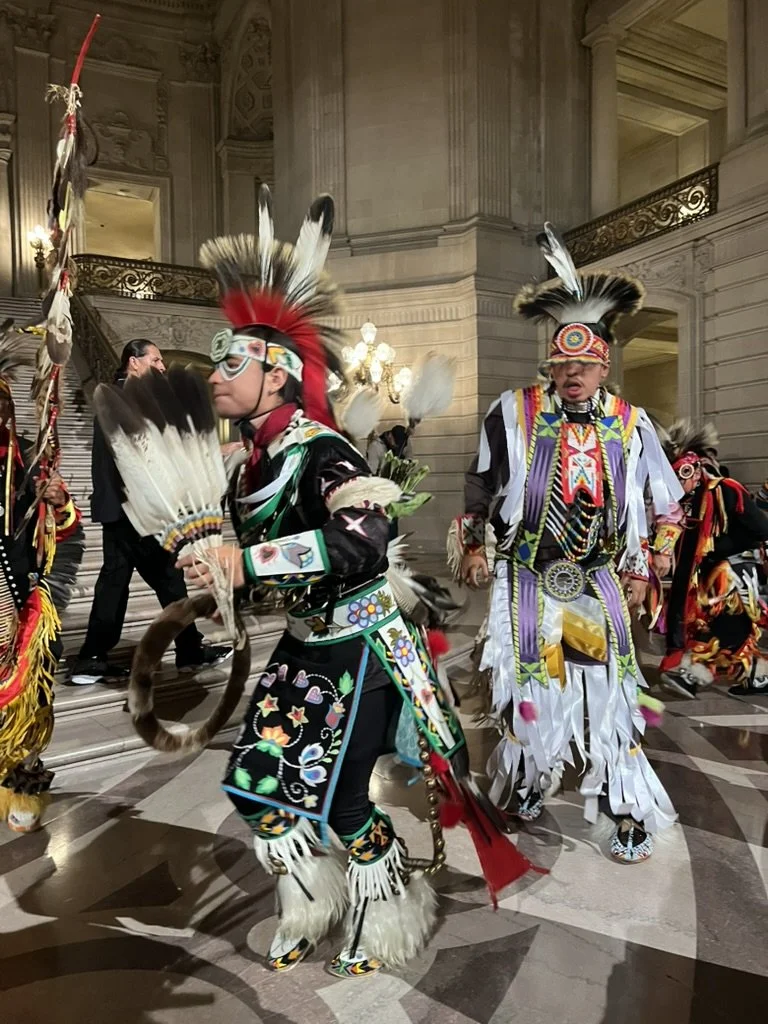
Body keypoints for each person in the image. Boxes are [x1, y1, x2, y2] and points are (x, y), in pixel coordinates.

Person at [165, 188, 535, 978]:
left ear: (277, 374)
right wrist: (218, 575)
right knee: (260, 789)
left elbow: (364, 539)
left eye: (234, 361)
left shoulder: (324, 448)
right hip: (306, 646)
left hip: (365, 648)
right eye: (217, 358)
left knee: (340, 800)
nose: (217, 373)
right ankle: (312, 899)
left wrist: (250, 561)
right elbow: (271, 578)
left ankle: (391, 908)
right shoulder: (248, 467)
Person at [452, 224, 684, 863]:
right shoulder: (515, 410)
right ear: (548, 366)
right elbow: (480, 478)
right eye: (561, 364)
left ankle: (623, 806)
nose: (572, 374)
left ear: (606, 364)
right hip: (528, 577)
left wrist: (648, 560)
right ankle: (528, 781)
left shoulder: (631, 425)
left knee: (607, 691)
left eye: (583, 365)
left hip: (595, 580)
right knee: (532, 686)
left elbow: (665, 501)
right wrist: (475, 542)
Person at [69, 339, 231, 685]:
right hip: (138, 510)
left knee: (117, 582)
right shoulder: (125, 398)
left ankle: (92, 658)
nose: (161, 366)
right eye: (156, 359)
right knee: (167, 581)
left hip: (122, 510)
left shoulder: (123, 397)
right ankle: (188, 652)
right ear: (134, 361)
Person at [0, 335, 84, 832]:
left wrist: (57, 504)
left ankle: (25, 782)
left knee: (32, 703)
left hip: (25, 603)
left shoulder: (31, 467)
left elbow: (70, 535)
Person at [658, 423, 768, 699]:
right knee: (732, 630)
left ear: (693, 469)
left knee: (726, 626)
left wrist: (721, 550)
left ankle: (692, 674)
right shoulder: (684, 505)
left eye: (681, 475)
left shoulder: (726, 490)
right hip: (706, 578)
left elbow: (761, 530)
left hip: (734, 574)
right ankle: (758, 676)